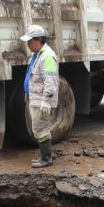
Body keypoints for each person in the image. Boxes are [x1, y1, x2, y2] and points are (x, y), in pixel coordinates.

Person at [20, 25, 59, 168]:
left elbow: (50, 81)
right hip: (35, 99)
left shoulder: (47, 56)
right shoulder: (37, 55)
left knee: (41, 130)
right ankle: (44, 156)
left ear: (38, 40)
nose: (28, 44)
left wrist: (45, 101)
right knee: (38, 129)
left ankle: (46, 158)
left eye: (30, 41)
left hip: (41, 101)